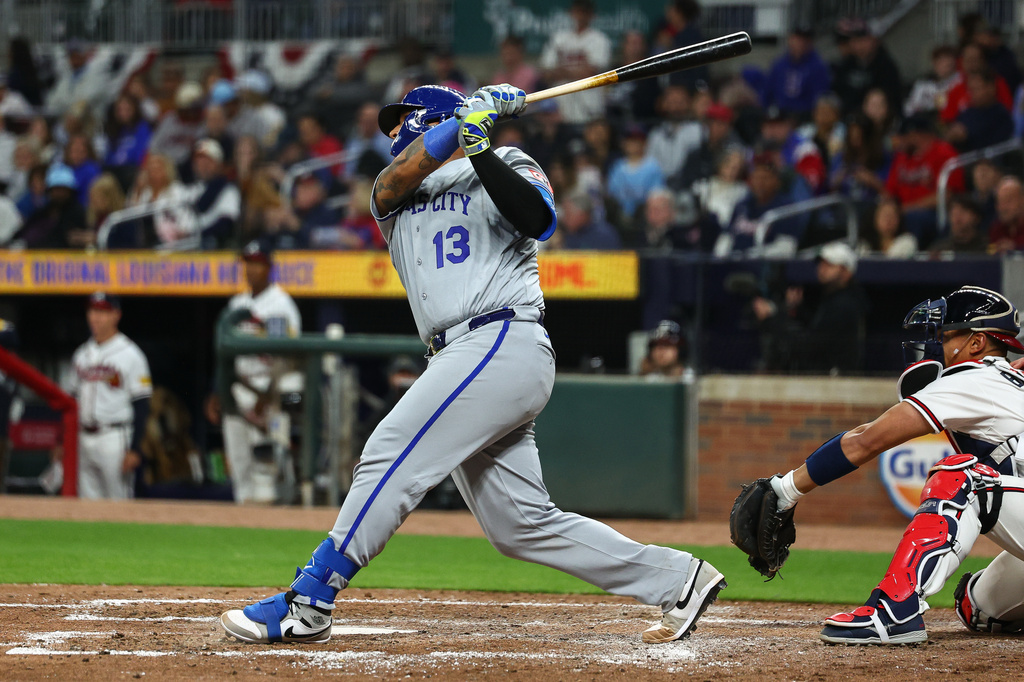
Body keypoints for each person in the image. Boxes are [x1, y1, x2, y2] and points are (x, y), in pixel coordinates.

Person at [219, 83, 725, 646]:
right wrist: (464, 121)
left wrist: (481, 144)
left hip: (502, 337)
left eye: (403, 120)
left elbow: (537, 218)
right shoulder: (394, 195)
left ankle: (310, 599)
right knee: (520, 524)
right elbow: (392, 179)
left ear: (434, 116)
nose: (392, 132)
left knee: (390, 449)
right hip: (462, 357)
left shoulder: (507, 160)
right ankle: (678, 579)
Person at [755, 285, 1024, 644]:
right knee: (981, 608)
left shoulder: (974, 378)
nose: (935, 344)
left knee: (965, 479)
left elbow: (868, 439)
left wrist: (786, 488)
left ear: (975, 344)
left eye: (945, 335)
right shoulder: (1008, 380)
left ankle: (895, 611)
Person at [204, 240, 301, 504]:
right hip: (236, 388)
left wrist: (267, 396)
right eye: (247, 263)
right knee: (238, 466)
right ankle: (242, 526)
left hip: (265, 390)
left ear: (269, 267)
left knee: (267, 470)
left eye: (257, 263)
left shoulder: (281, 305)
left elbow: (287, 357)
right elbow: (225, 354)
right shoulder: (237, 303)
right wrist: (217, 391)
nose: (251, 269)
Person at [66, 292, 152, 499]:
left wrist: (135, 448)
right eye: (92, 311)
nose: (95, 317)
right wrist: (63, 441)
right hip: (83, 437)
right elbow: (70, 402)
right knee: (87, 506)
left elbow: (142, 403)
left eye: (102, 312)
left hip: (114, 436)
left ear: (116, 315)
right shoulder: (81, 354)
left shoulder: (131, 354)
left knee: (118, 502)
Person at [751, 241, 868, 373]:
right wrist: (798, 310)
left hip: (835, 381)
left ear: (846, 273)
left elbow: (809, 346)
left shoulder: (844, 304)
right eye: (821, 263)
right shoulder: (834, 299)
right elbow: (818, 330)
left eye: (829, 265)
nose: (822, 268)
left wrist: (771, 319)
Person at [885, 114, 962, 246]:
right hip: (903, 212)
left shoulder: (944, 153)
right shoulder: (901, 157)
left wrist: (907, 209)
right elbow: (889, 191)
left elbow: (947, 195)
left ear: (916, 135)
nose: (899, 142)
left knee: (914, 218)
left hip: (936, 214)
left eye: (903, 137)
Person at [539, 0, 612, 126]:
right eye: (578, 11)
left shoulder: (600, 40)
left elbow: (591, 72)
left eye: (584, 12)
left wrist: (562, 70)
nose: (580, 16)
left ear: (591, 15)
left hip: (589, 110)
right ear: (571, 12)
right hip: (559, 110)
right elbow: (546, 73)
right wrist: (576, 71)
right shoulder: (558, 38)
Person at [830, 21, 902, 116]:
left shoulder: (885, 66)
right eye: (855, 41)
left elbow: (892, 98)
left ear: (874, 41)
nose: (859, 46)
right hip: (847, 117)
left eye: (863, 40)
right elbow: (837, 91)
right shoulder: (847, 64)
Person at [762, 26, 831, 120]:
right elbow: (768, 92)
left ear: (810, 42)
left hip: (805, 116)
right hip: (780, 115)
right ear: (790, 39)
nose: (800, 43)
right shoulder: (779, 64)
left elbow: (819, 97)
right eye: (797, 38)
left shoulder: (818, 66)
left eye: (804, 39)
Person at [13, 164, 89, 248]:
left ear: (70, 191)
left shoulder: (77, 213)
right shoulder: (45, 211)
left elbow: (64, 239)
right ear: (49, 191)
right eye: (56, 190)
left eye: (63, 190)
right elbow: (23, 232)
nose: (59, 194)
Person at [186, 138, 240, 248]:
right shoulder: (189, 190)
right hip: (185, 246)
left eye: (208, 161)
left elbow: (225, 224)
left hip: (212, 247)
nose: (202, 165)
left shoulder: (228, 189)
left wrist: (196, 235)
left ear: (219, 164)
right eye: (198, 161)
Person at [946, 69, 1015, 153]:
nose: (972, 94)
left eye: (977, 89)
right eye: (970, 90)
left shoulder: (1001, 116)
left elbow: (996, 149)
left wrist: (967, 136)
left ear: (991, 88)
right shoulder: (967, 113)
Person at [606, 124, 664, 220]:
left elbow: (656, 196)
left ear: (645, 143)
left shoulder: (653, 166)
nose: (632, 144)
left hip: (645, 217)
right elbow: (612, 194)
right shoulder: (617, 166)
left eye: (636, 141)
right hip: (620, 218)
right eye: (629, 140)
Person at [149, 82, 206, 170]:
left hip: (189, 168)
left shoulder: (202, 124)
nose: (190, 114)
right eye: (186, 110)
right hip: (166, 166)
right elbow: (154, 147)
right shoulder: (170, 119)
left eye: (193, 110)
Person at [988, 176, 1024, 253]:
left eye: (1008, 201)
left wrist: (1016, 249)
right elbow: (989, 254)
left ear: (1022, 201)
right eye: (1000, 202)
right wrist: (995, 252)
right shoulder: (996, 229)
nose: (1003, 207)